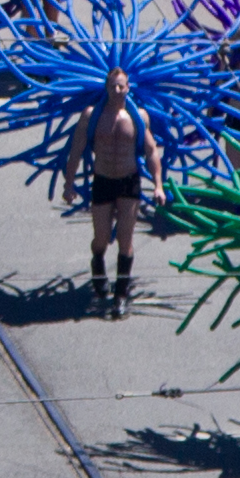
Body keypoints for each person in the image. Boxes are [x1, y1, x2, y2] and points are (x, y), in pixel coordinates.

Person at [81, 73, 159, 310]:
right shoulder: (92, 115)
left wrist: (158, 185)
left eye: (121, 86)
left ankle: (121, 296)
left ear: (128, 88)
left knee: (125, 240)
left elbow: (151, 150)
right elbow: (77, 148)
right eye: (112, 86)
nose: (117, 90)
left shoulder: (137, 117)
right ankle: (98, 260)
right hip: (103, 180)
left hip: (129, 181)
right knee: (101, 239)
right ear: (106, 88)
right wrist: (67, 186)